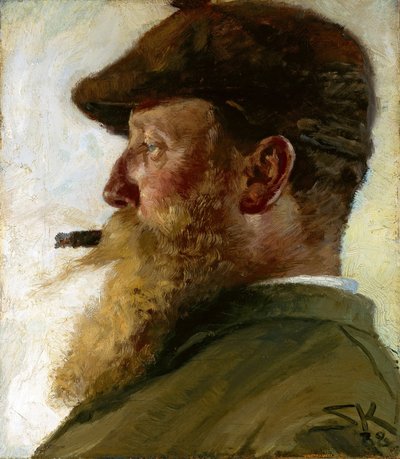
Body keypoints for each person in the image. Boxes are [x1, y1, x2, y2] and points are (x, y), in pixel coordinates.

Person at [35, 1, 400, 456]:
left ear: (262, 174)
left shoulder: (324, 422)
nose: (114, 190)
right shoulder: (195, 356)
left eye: (151, 147)